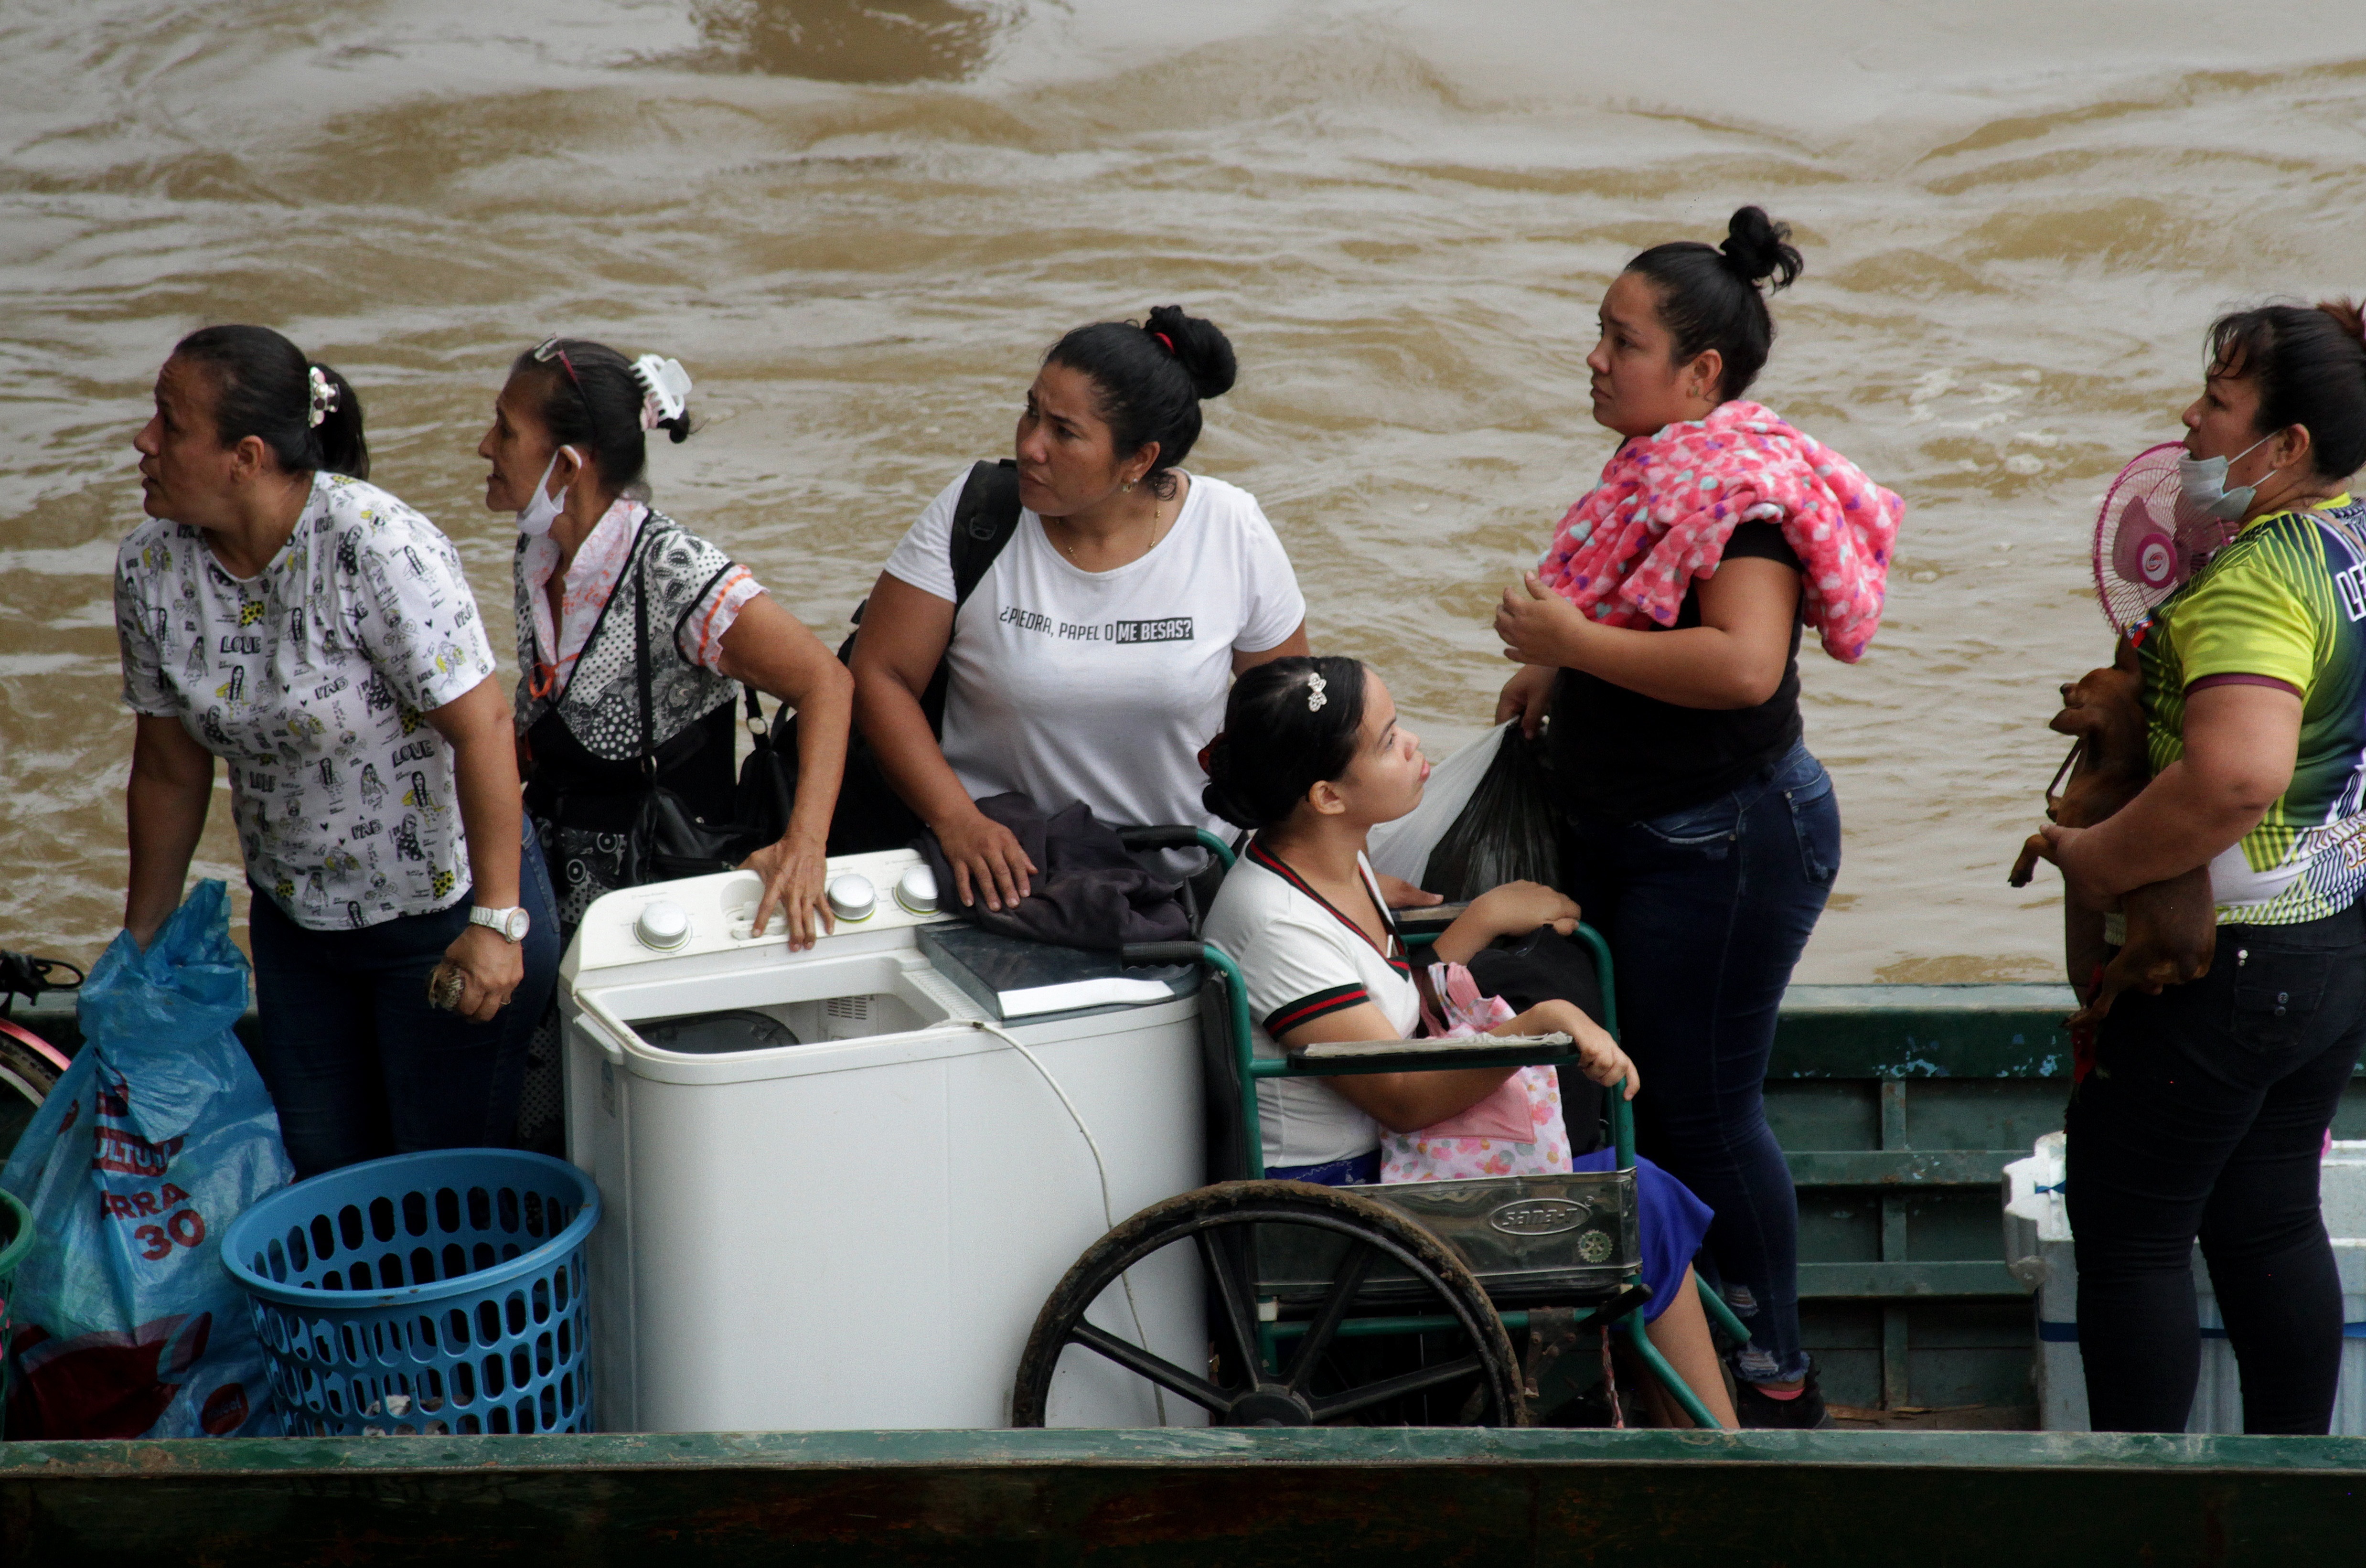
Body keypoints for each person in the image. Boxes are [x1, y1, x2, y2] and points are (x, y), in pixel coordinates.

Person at [1491, 206, 1902, 1427]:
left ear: (1700, 373)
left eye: (1620, 341)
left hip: (1726, 840)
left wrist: (1575, 641)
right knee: (1652, 1093)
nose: (1595, 359)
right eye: (1598, 334)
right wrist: (1565, 669)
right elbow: (1647, 610)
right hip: (1656, 833)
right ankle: (1679, 1345)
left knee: (1698, 1105)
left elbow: (1738, 666)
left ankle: (1770, 1370)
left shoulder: (1743, 492)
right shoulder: (1660, 467)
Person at [1199, 655, 1736, 1429]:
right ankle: (1722, 1455)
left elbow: (1392, 1012)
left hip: (1385, 1160)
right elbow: (1405, 1096)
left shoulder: (1333, 859)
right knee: (1636, 1200)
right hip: (1337, 1200)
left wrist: (1477, 922)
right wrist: (1531, 1026)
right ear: (1325, 795)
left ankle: (1697, 1436)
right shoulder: (1276, 923)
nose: (1414, 745)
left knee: (1626, 1180)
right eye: (1387, 740)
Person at [116, 325, 558, 1179]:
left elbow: (485, 727)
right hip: (299, 927)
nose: (145, 441)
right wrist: (140, 946)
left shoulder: (375, 546)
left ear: (245, 456)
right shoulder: (151, 570)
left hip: (442, 918)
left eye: (169, 423)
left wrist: (498, 921)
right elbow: (170, 770)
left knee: (443, 1195)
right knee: (324, 1178)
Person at [2035, 299, 2366, 1434]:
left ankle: (2155, 1522)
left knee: (2129, 1232)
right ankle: (2296, 1499)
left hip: (2219, 968)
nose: (2188, 417)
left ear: (2285, 449)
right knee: (2265, 1219)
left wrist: (2094, 859)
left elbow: (2234, 778)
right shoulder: (2351, 543)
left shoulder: (2255, 583)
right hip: (2326, 944)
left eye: (2216, 403)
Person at [850, 305, 1317, 912]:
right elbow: (880, 675)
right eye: (1030, 412)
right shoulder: (977, 512)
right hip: (1000, 873)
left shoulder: (1232, 530)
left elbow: (1294, 727)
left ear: (1140, 461)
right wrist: (957, 820)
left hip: (1179, 879)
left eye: (1063, 433)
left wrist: (1326, 874)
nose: (1030, 445)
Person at [480, 337, 852, 947]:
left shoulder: (674, 572)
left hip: (660, 914)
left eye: (505, 430)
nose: (486, 446)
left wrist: (804, 847)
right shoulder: (538, 550)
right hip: (546, 896)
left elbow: (827, 683)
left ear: (568, 466)